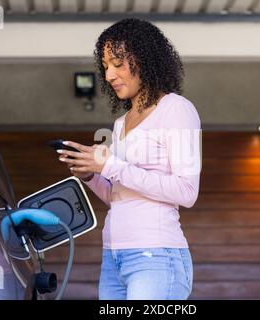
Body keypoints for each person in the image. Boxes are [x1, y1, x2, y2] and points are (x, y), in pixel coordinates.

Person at [57, 18, 201, 300]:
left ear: (145, 59)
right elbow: (120, 196)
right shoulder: (121, 123)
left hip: (156, 256)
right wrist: (90, 174)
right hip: (114, 257)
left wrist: (110, 164)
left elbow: (187, 191)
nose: (109, 75)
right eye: (106, 66)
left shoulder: (176, 109)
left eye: (118, 63)